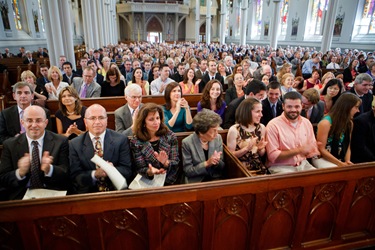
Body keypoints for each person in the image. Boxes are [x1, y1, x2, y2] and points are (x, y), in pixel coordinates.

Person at [0, 105, 70, 200]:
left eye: (38, 120)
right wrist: (20, 172)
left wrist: (49, 169)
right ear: (22, 122)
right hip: (20, 196)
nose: (34, 125)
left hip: (52, 194)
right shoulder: (9, 145)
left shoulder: (60, 142)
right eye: (29, 120)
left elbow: (66, 173)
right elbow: (3, 178)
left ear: (46, 123)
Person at [69, 104, 133, 193]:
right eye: (92, 118)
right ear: (85, 122)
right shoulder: (75, 144)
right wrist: (94, 174)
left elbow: (127, 171)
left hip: (115, 192)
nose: (97, 122)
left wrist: (111, 170)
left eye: (101, 118)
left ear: (107, 120)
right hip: (88, 194)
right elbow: (75, 176)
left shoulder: (121, 140)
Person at [265, 92, 320, 173]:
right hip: (280, 167)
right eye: (289, 107)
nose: (293, 110)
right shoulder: (273, 125)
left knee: (320, 180)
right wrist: (299, 150)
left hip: (303, 164)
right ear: (283, 106)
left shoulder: (306, 123)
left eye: (297, 106)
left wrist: (314, 150)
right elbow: (272, 156)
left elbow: (311, 149)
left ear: (302, 106)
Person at [130, 103, 180, 186]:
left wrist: (166, 163)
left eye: (157, 118)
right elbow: (140, 168)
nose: (156, 122)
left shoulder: (170, 136)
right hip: (147, 183)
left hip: (169, 181)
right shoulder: (136, 142)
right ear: (143, 123)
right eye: (151, 119)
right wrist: (150, 171)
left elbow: (176, 162)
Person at [316, 93, 360, 167]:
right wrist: (340, 163)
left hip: (339, 156)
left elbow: (347, 145)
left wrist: (347, 161)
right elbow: (321, 149)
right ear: (347, 107)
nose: (358, 110)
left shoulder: (349, 123)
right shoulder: (326, 123)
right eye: (356, 107)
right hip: (322, 157)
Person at [227, 97, 268, 175]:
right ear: (247, 112)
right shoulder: (234, 130)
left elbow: (262, 154)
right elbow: (231, 156)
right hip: (241, 170)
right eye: (257, 112)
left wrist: (260, 149)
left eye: (261, 111)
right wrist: (247, 149)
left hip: (259, 167)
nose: (261, 115)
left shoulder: (261, 128)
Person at [182, 109, 225, 183]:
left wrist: (217, 161)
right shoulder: (187, 143)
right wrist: (207, 163)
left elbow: (222, 167)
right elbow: (188, 171)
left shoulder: (218, 138)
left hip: (215, 180)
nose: (217, 133)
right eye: (214, 130)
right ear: (201, 132)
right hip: (196, 182)